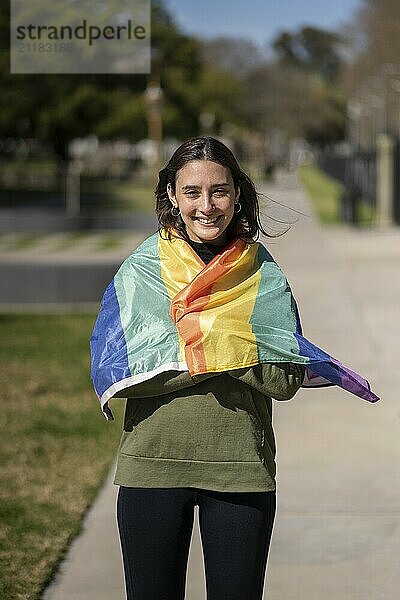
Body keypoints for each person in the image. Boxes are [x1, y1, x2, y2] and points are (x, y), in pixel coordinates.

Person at [90, 136, 378, 600]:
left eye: (219, 190)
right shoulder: (142, 270)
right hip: (152, 469)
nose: (207, 205)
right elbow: (124, 376)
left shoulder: (262, 273)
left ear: (237, 193)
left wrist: (195, 340)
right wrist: (233, 344)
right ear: (171, 194)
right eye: (192, 192)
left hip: (240, 468)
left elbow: (283, 379)